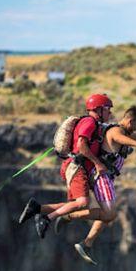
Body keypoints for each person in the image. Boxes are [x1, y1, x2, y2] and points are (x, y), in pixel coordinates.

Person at [58, 106, 136, 265]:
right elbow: (123, 139)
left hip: (107, 178)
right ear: (130, 121)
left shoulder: (127, 132)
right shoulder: (115, 131)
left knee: (107, 214)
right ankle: (69, 217)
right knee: (109, 213)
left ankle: (87, 243)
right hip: (101, 176)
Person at [18, 93, 112, 238]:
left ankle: (37, 208)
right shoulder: (89, 122)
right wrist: (98, 163)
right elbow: (81, 145)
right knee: (82, 203)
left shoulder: (95, 124)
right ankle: (46, 219)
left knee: (75, 205)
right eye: (107, 108)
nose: (110, 112)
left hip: (75, 167)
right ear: (98, 110)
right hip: (76, 167)